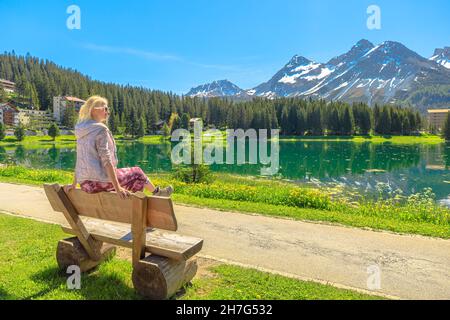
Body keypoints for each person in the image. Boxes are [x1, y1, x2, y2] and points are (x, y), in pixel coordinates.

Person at [63, 95, 173, 199]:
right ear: (94, 109)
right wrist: (117, 188)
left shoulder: (81, 130)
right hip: (99, 181)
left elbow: (80, 160)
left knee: (133, 180)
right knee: (137, 172)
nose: (108, 112)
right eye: (105, 109)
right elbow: (107, 160)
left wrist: (74, 184)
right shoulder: (100, 129)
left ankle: (148, 197)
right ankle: (157, 193)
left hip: (86, 184)